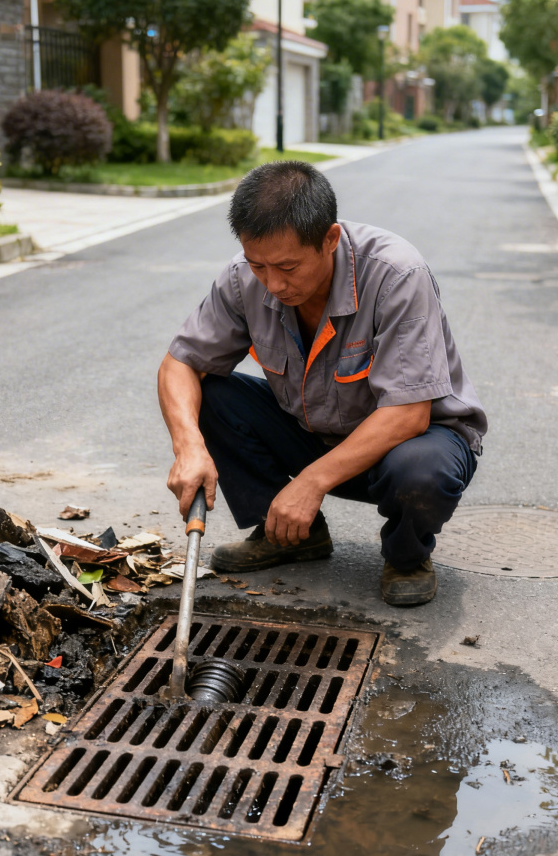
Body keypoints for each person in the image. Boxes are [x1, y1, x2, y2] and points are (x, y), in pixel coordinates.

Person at [158, 161, 486, 607]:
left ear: (330, 239)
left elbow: (409, 414)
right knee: (212, 396)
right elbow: (180, 363)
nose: (273, 284)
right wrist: (188, 446)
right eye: (259, 266)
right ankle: (292, 535)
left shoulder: (396, 275)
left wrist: (310, 483)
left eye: (288, 267)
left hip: (411, 443)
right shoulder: (243, 278)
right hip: (317, 433)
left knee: (421, 473)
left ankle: (407, 556)